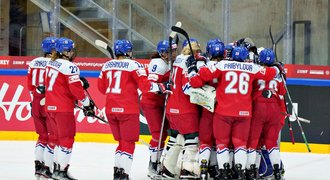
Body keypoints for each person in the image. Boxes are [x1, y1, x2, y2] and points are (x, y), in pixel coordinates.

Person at [187, 46, 282, 179]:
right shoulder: (252, 67)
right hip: (244, 114)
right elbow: (270, 74)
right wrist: (278, 67)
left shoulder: (223, 64)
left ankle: (224, 172)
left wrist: (196, 67)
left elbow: (203, 75)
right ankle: (241, 172)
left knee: (222, 143)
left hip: (223, 112)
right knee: (241, 143)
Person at [97, 39, 156, 180]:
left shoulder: (106, 66)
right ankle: (124, 175)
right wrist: (160, 87)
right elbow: (145, 87)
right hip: (128, 110)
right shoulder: (134, 65)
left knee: (121, 143)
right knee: (128, 144)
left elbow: (101, 89)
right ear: (127, 52)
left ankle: (117, 172)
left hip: (111, 110)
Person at [44, 37, 94, 180]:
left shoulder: (50, 64)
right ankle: (61, 172)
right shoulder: (70, 66)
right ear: (63, 52)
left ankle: (55, 170)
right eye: (70, 50)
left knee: (57, 139)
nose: (72, 52)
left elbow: (60, 84)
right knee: (66, 140)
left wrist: (78, 80)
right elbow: (76, 90)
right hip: (63, 109)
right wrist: (86, 103)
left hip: (50, 107)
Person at [161, 38, 202, 179]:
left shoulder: (177, 59)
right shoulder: (188, 62)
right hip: (185, 110)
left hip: (171, 108)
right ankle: (187, 170)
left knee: (177, 138)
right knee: (191, 140)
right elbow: (188, 88)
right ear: (195, 52)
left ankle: (168, 168)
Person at [246, 48, 286, 180]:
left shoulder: (256, 69)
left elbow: (249, 88)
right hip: (274, 109)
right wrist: (282, 74)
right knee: (271, 143)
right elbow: (282, 92)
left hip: (258, 107)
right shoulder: (278, 73)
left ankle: (253, 171)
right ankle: (277, 172)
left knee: (254, 142)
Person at [140, 39, 177, 178]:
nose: (174, 53)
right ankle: (152, 166)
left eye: (174, 50)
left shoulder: (168, 62)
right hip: (151, 103)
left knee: (165, 135)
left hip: (162, 103)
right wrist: (163, 86)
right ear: (163, 53)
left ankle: (161, 163)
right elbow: (151, 86)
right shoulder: (158, 63)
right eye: (171, 51)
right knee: (158, 135)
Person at [27, 37, 57, 179]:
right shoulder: (54, 63)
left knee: (42, 137)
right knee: (53, 137)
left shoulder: (33, 62)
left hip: (36, 101)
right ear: (51, 50)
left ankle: (38, 167)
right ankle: (47, 168)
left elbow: (29, 86)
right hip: (49, 102)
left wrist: (32, 101)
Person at [198, 39, 225, 179]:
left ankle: (203, 169)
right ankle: (214, 168)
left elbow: (196, 82)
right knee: (218, 141)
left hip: (207, 109)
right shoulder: (226, 66)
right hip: (222, 110)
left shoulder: (205, 66)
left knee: (205, 141)